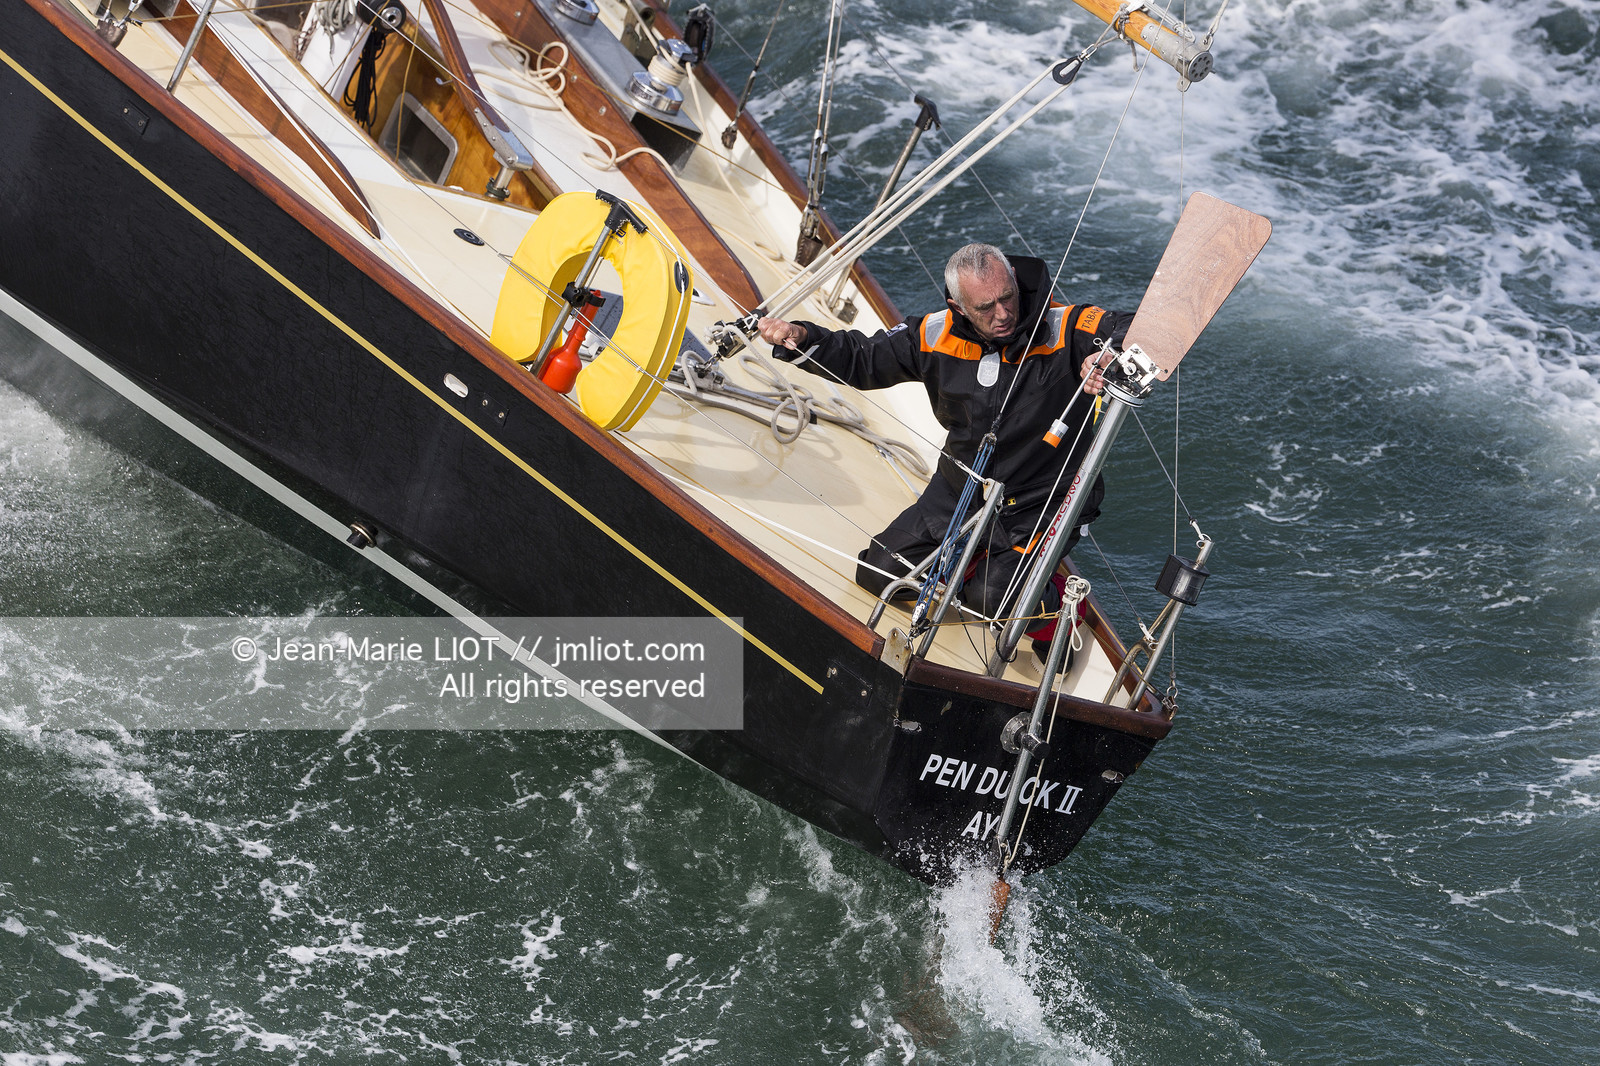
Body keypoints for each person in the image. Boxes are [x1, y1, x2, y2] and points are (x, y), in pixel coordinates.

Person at [756, 244, 1132, 663]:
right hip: (959, 491)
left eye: (1007, 297)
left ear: (1013, 280)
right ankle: (973, 559)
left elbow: (1131, 328)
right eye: (985, 307)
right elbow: (863, 357)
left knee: (991, 599)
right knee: (879, 573)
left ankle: (1061, 610)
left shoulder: (1066, 325)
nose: (1003, 313)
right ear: (958, 306)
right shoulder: (933, 333)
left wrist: (1109, 355)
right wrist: (803, 337)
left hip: (1042, 499)